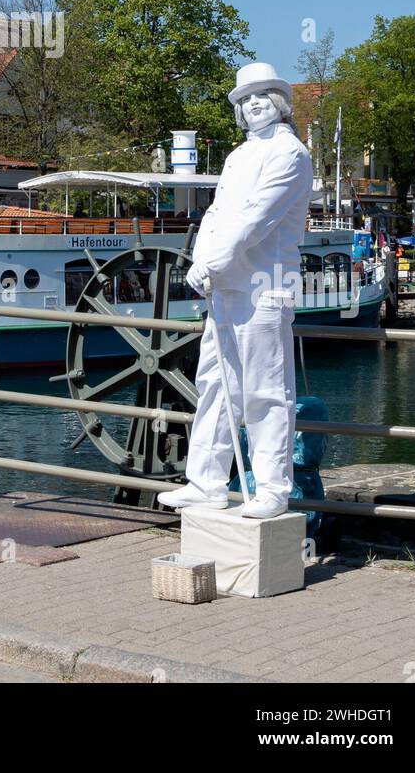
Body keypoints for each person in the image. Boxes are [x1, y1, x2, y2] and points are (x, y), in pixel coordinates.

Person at [158, 62, 313, 521]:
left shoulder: (290, 154)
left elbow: (255, 220)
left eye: (261, 94)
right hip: (225, 285)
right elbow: (216, 215)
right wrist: (202, 262)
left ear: (280, 101)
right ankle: (205, 482)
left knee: (266, 391)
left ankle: (272, 489)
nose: (252, 103)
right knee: (214, 384)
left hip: (265, 287)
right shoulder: (238, 156)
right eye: (244, 99)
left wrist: (210, 263)